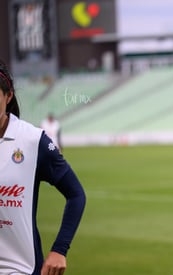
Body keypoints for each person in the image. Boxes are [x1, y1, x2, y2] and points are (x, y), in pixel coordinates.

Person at [0, 60, 86, 275]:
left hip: (20, 269)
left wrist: (60, 250)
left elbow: (76, 195)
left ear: (8, 96)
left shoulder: (32, 140)